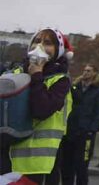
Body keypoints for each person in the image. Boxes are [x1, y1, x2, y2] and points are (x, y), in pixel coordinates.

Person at [5, 28, 74, 183]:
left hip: (37, 164)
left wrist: (37, 74)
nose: (40, 46)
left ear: (58, 51)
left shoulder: (60, 81)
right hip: (6, 159)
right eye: (37, 41)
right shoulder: (14, 73)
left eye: (47, 43)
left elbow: (41, 110)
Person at [61, 63, 99, 185]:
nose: (85, 73)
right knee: (66, 165)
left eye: (89, 71)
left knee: (81, 167)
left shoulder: (98, 91)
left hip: (85, 133)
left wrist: (92, 129)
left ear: (94, 73)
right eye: (84, 70)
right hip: (70, 130)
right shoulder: (75, 87)